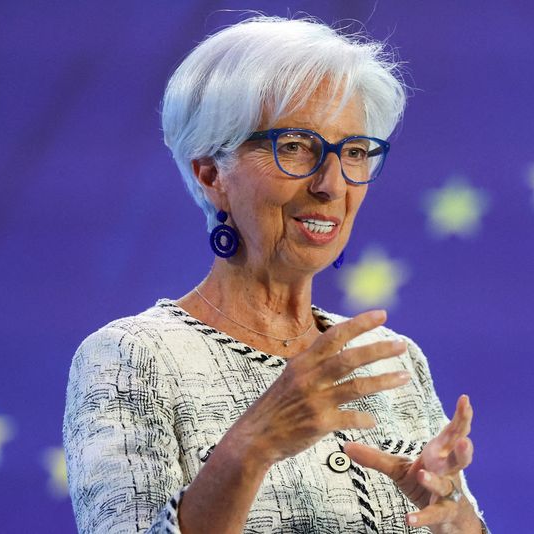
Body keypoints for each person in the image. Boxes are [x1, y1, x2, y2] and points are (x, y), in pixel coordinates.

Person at [63, 15, 489, 534]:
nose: (332, 184)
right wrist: (251, 447)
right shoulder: (133, 358)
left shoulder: (395, 360)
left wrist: (457, 520)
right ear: (211, 173)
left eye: (353, 152)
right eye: (294, 146)